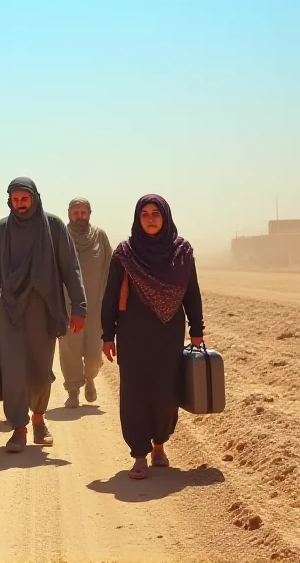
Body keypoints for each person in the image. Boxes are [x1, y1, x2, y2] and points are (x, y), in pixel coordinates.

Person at [101, 194, 204, 480]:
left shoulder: (181, 252)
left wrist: (197, 330)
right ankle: (138, 454)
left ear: (165, 217)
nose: (149, 218)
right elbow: (110, 295)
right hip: (132, 333)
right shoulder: (125, 253)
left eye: (155, 213)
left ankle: (159, 445)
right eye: (144, 213)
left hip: (168, 333)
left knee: (165, 391)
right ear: (137, 218)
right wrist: (107, 334)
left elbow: (191, 293)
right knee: (134, 393)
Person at [0, 178, 87, 453]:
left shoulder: (53, 226)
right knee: (14, 371)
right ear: (9, 201)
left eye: (24, 199)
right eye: (15, 200)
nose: (20, 204)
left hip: (44, 309)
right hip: (11, 311)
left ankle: (39, 420)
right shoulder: (2, 229)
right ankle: (19, 428)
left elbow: (70, 268)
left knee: (40, 372)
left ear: (35, 198)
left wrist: (79, 306)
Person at [59, 197, 113, 408]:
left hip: (96, 306)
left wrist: (109, 300)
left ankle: (90, 378)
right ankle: (73, 390)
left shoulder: (99, 236)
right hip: (68, 306)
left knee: (93, 352)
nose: (79, 216)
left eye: (83, 213)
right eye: (75, 213)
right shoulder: (61, 237)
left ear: (89, 213)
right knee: (70, 350)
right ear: (69, 214)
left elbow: (110, 268)